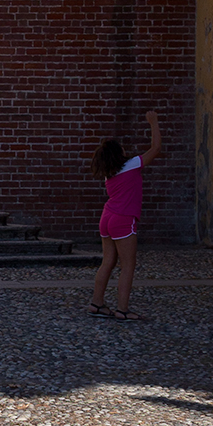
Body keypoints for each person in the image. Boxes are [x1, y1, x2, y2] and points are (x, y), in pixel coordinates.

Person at [90, 109, 162, 320]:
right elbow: (156, 149)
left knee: (108, 262)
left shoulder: (108, 174)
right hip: (123, 219)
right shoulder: (130, 165)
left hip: (107, 217)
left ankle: (97, 303)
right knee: (128, 265)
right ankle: (123, 309)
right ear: (118, 152)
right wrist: (153, 122)